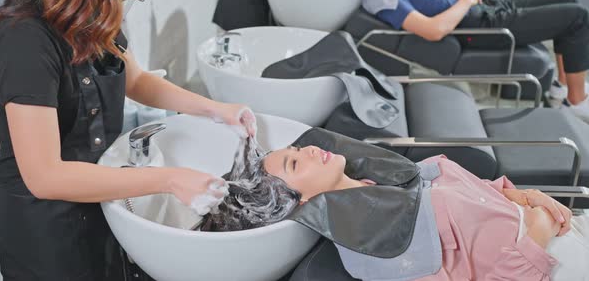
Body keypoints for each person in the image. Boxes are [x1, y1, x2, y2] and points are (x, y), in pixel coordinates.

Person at [0, 0, 257, 279]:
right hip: (44, 233)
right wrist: (168, 179)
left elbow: (135, 80)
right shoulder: (25, 39)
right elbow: (44, 176)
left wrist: (217, 110)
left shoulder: (90, 8)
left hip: (100, 199)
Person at [203, 140, 589, 280]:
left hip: (568, 226)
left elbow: (473, 200)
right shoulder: (377, 250)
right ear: (298, 202)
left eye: (293, 150)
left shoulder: (380, 179)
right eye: (293, 164)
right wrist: (535, 232)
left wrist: (524, 197)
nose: (306, 151)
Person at [321, 0, 589, 123]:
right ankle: (576, 102)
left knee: (569, 0)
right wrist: (466, 1)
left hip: (483, 6)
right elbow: (433, 30)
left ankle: (560, 90)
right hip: (482, 23)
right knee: (577, 17)